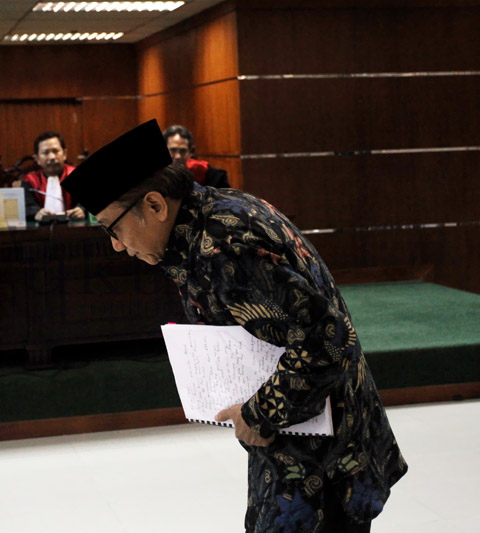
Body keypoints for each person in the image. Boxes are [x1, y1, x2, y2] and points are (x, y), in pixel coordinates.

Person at [62, 120, 407, 532]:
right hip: (299, 432)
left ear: (154, 205)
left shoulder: (225, 246)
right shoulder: (209, 213)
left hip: (323, 449)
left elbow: (328, 338)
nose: (116, 245)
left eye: (112, 228)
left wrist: (260, 413)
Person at [21, 131, 85, 222]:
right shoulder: (29, 180)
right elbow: (27, 206)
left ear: (64, 154)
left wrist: (82, 210)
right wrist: (36, 213)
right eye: (45, 153)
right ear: (37, 159)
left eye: (55, 151)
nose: (51, 157)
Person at [163, 124, 229, 188]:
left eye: (183, 151)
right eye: (172, 150)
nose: (178, 156)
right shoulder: (154, 176)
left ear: (191, 151)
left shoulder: (210, 176)